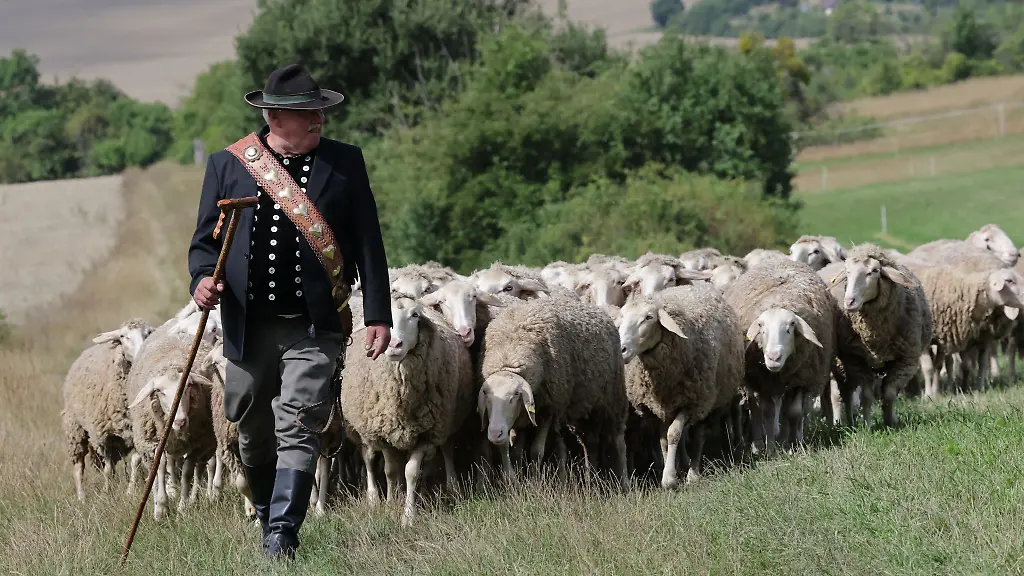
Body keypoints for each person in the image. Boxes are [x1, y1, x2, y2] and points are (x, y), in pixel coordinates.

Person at [187, 63, 392, 560]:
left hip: (314, 324)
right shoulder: (227, 165)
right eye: (309, 114)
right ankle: (266, 515)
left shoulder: (345, 162)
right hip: (248, 324)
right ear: (276, 117)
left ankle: (282, 535)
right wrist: (201, 280)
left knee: (299, 421)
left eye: (320, 112)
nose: (320, 120)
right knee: (251, 433)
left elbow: (369, 241)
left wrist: (378, 314)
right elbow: (203, 245)